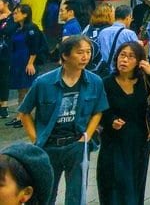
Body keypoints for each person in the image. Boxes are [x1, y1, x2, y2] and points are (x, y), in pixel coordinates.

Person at [18, 35, 108, 205]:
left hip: (77, 144)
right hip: (48, 145)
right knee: (45, 194)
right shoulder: (44, 82)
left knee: (76, 194)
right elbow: (24, 112)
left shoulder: (94, 81)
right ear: (65, 55)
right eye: (80, 52)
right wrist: (36, 140)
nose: (85, 57)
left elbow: (98, 111)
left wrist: (86, 137)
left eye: (88, 52)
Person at [97, 41, 150, 204]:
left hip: (140, 140)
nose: (124, 60)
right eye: (122, 55)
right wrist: (111, 120)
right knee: (114, 183)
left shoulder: (143, 80)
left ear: (139, 61)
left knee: (135, 181)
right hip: (114, 141)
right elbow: (99, 110)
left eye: (131, 57)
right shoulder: (106, 83)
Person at [8, 5, 45, 128]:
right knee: (20, 89)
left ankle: (26, 116)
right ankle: (19, 116)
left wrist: (30, 63)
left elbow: (34, 47)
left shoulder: (31, 28)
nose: (14, 15)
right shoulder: (18, 28)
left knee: (27, 89)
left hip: (26, 60)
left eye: (17, 13)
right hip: (17, 60)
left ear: (25, 14)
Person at [96, 6, 139, 76]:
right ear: (128, 17)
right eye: (131, 18)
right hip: (122, 71)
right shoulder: (129, 34)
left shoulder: (103, 32)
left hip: (104, 71)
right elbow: (137, 53)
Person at [0, 0, 17, 120]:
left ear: (6, 3)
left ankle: (4, 105)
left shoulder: (12, 18)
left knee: (3, 78)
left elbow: (8, 30)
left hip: (5, 52)